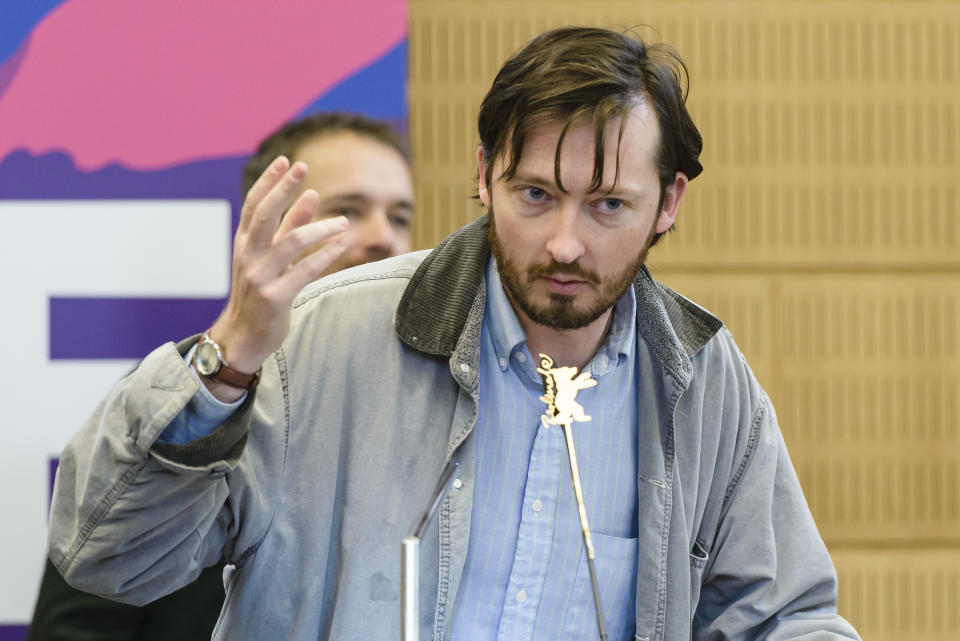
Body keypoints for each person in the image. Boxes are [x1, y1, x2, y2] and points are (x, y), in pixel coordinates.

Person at [47, 27, 860, 641]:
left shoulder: (704, 384)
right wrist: (227, 361)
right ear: (482, 174)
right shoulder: (329, 336)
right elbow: (110, 559)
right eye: (535, 194)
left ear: (669, 203)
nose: (566, 244)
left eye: (609, 204)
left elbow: (783, 616)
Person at [28, 112, 414, 640]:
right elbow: (81, 622)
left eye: (400, 216)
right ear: (265, 227)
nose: (384, 238)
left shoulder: (426, 402)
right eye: (347, 211)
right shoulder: (189, 400)